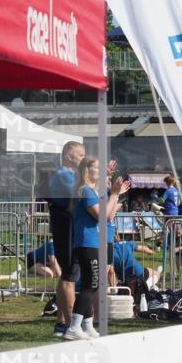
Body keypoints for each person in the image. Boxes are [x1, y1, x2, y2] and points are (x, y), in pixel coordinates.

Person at [65, 156, 130, 341]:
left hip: (92, 242)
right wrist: (115, 194)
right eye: (97, 168)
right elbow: (101, 215)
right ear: (87, 170)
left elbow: (108, 217)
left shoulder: (91, 190)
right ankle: (74, 326)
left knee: (91, 283)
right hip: (87, 242)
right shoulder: (85, 190)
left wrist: (115, 192)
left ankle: (87, 325)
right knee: (91, 284)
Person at [47, 140, 85, 337]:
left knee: (66, 275)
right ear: (69, 156)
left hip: (65, 229)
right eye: (81, 155)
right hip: (67, 230)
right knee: (70, 275)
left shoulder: (66, 175)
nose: (83, 159)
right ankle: (72, 325)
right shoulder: (64, 175)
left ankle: (62, 322)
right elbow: (81, 195)